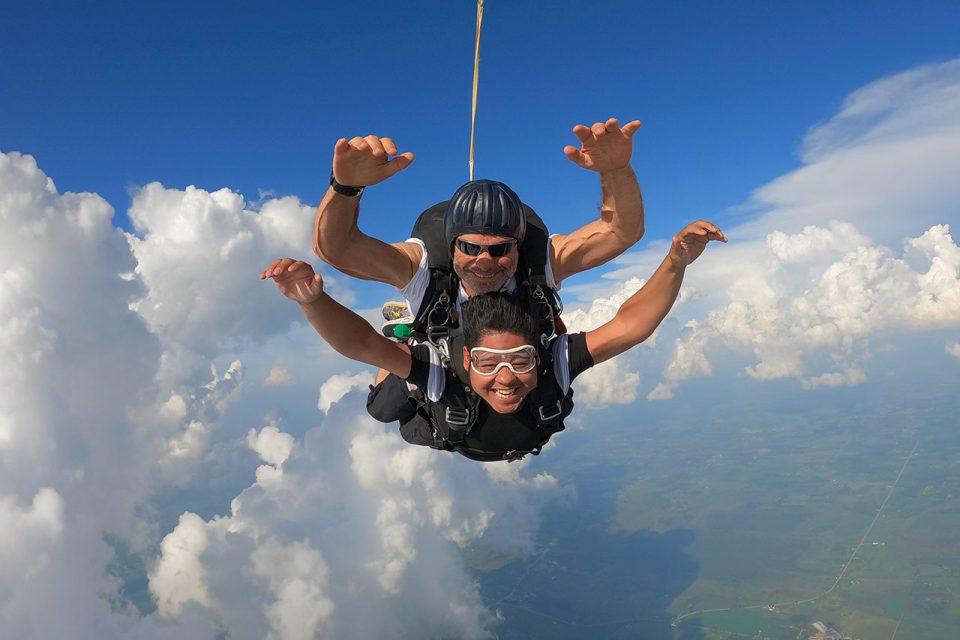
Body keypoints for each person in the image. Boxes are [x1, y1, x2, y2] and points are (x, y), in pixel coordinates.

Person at [261, 220, 727, 462]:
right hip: (439, 424)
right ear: (465, 356)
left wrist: (675, 263)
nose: (506, 378)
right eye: (487, 363)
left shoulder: (552, 360)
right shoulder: (443, 370)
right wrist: (312, 301)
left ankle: (403, 350)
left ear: (539, 353)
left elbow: (631, 326)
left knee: (402, 368)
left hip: (469, 414)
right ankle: (405, 342)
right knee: (383, 408)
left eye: (522, 359)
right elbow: (361, 345)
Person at [313, 118, 645, 328]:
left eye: (500, 249)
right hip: (444, 347)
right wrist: (345, 188)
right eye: (471, 247)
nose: (484, 260)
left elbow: (621, 231)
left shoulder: (538, 261)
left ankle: (415, 313)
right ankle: (414, 318)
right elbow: (337, 250)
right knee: (387, 402)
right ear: (451, 243)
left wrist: (616, 170)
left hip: (510, 366)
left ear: (518, 244)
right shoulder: (425, 267)